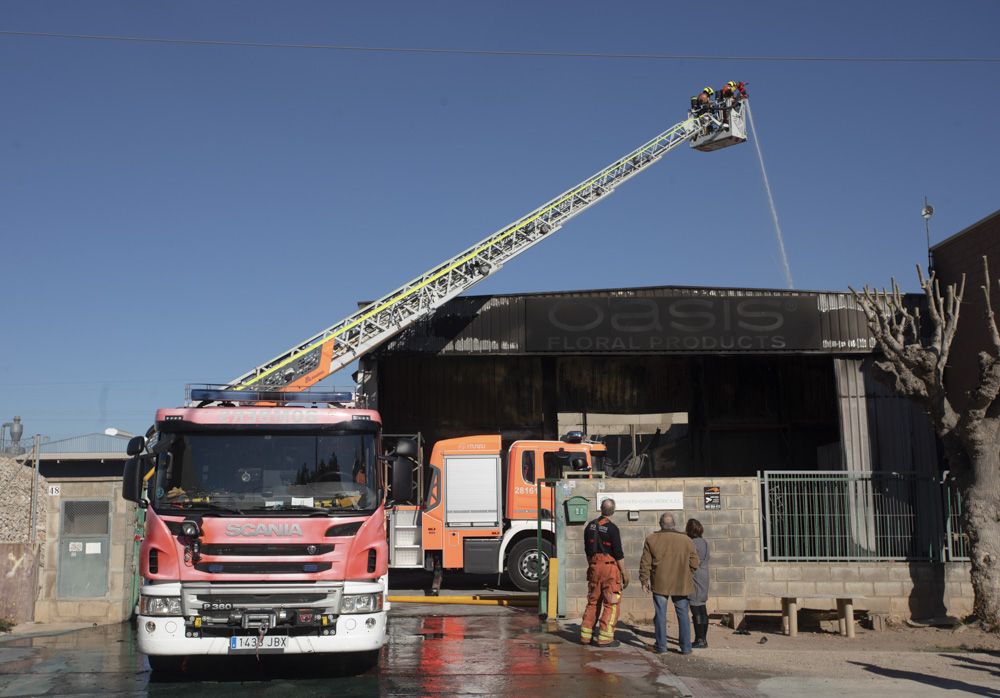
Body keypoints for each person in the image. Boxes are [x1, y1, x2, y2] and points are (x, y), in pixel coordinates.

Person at [639, 512, 700, 654]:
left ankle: (661, 647)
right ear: (674, 524)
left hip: (660, 582)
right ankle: (686, 648)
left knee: (660, 614)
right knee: (683, 615)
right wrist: (687, 574)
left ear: (660, 524)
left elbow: (645, 563)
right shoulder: (686, 540)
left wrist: (644, 580)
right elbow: (695, 562)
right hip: (682, 583)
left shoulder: (651, 539)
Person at [580, 498, 629, 647]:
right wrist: (625, 573)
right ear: (613, 511)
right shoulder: (613, 528)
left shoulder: (589, 526)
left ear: (601, 508)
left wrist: (593, 566)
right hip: (609, 568)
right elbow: (618, 553)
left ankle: (585, 636)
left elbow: (587, 550)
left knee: (593, 601)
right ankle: (605, 638)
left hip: (594, 565)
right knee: (611, 603)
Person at [686, 518, 710, 648]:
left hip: (695, 576)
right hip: (704, 575)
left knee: (696, 609)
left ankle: (699, 639)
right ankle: (703, 638)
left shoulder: (692, 543)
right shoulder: (704, 542)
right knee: (702, 608)